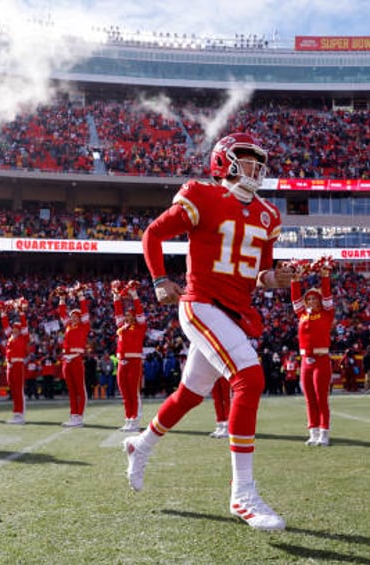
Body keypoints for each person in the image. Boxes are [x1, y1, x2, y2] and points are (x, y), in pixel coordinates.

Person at [122, 132, 291, 531]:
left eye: (257, 160)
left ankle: (139, 444)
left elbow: (259, 273)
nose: (254, 167)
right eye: (245, 159)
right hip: (200, 304)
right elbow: (153, 234)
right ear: (223, 162)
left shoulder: (268, 215)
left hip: (234, 312)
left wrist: (275, 278)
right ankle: (243, 493)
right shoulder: (202, 195)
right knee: (249, 377)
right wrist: (160, 279)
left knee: (189, 395)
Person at [290, 256, 336, 446]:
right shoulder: (302, 314)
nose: (310, 300)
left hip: (321, 359)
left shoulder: (326, 313)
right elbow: (295, 297)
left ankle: (324, 434)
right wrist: (295, 279)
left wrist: (324, 276)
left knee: (321, 398)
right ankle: (313, 432)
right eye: (308, 298)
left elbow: (326, 295)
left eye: (313, 298)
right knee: (309, 399)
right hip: (305, 360)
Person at [112, 280, 148, 432]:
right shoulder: (121, 326)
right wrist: (116, 298)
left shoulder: (140, 326)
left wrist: (134, 296)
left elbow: (140, 312)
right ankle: (128, 419)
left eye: (130, 314)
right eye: (127, 315)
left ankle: (135, 420)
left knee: (133, 392)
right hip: (122, 361)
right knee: (124, 392)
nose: (128, 317)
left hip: (134, 361)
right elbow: (118, 312)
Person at [58, 284, 90, 427]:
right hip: (66, 359)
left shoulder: (84, 326)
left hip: (76, 358)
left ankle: (79, 417)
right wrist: (62, 298)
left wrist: (80, 296)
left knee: (79, 389)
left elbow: (85, 310)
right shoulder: (68, 326)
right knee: (71, 390)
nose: (73, 318)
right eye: (71, 316)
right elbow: (61, 312)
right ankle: (73, 416)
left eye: (76, 316)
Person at [0, 298, 30, 424]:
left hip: (18, 364)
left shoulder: (24, 337)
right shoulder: (10, 337)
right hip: (10, 365)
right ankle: (16, 413)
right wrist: (3, 312)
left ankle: (20, 414)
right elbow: (5, 324)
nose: (14, 329)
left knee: (18, 389)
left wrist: (21, 312)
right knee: (13, 389)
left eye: (17, 328)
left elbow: (24, 325)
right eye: (14, 328)